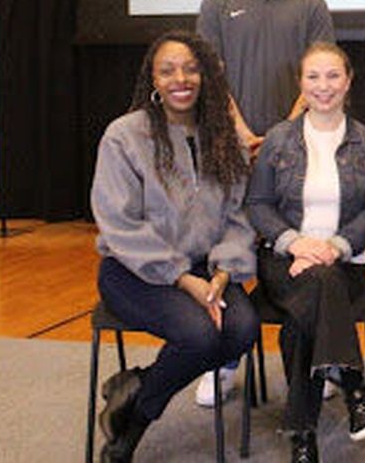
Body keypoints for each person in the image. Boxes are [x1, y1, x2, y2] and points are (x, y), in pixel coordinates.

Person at [91, 30, 259, 462]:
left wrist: (222, 274)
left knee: (242, 329)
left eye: (190, 68)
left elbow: (239, 217)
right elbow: (118, 225)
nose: (180, 78)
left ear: (206, 77)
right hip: (135, 271)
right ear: (153, 78)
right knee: (200, 337)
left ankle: (135, 391)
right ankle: (132, 431)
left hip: (209, 269)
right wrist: (184, 281)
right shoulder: (124, 136)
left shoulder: (226, 139)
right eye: (167, 70)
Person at [197, 0, 334, 404]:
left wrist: (278, 135)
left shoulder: (311, 3)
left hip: (296, 149)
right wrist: (242, 131)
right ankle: (224, 360)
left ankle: (316, 365)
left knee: (296, 254)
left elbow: (318, 74)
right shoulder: (217, 2)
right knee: (229, 255)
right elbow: (209, 75)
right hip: (230, 149)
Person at [246, 42, 365, 463]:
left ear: (348, 81)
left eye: (332, 76)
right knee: (318, 288)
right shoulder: (278, 139)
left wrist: (334, 247)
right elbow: (258, 205)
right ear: (300, 84)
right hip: (284, 265)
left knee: (302, 323)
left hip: (343, 265)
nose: (323, 86)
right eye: (313, 77)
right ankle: (354, 386)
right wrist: (297, 243)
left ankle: (302, 436)